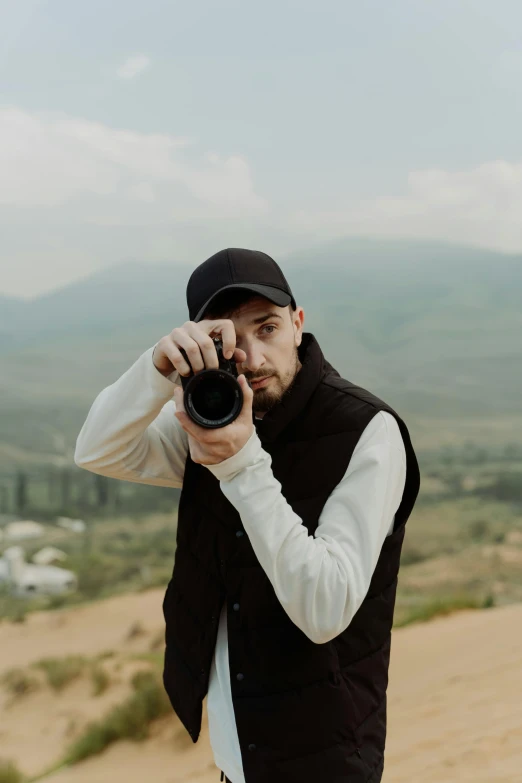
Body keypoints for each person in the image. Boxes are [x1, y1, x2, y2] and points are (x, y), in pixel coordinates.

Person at [74, 247, 420, 783]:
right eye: (228, 339)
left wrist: (241, 466)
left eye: (268, 328)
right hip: (237, 760)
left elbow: (324, 607)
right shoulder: (205, 421)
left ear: (298, 324)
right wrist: (154, 370)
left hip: (326, 761)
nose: (253, 358)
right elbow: (96, 449)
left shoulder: (369, 433)